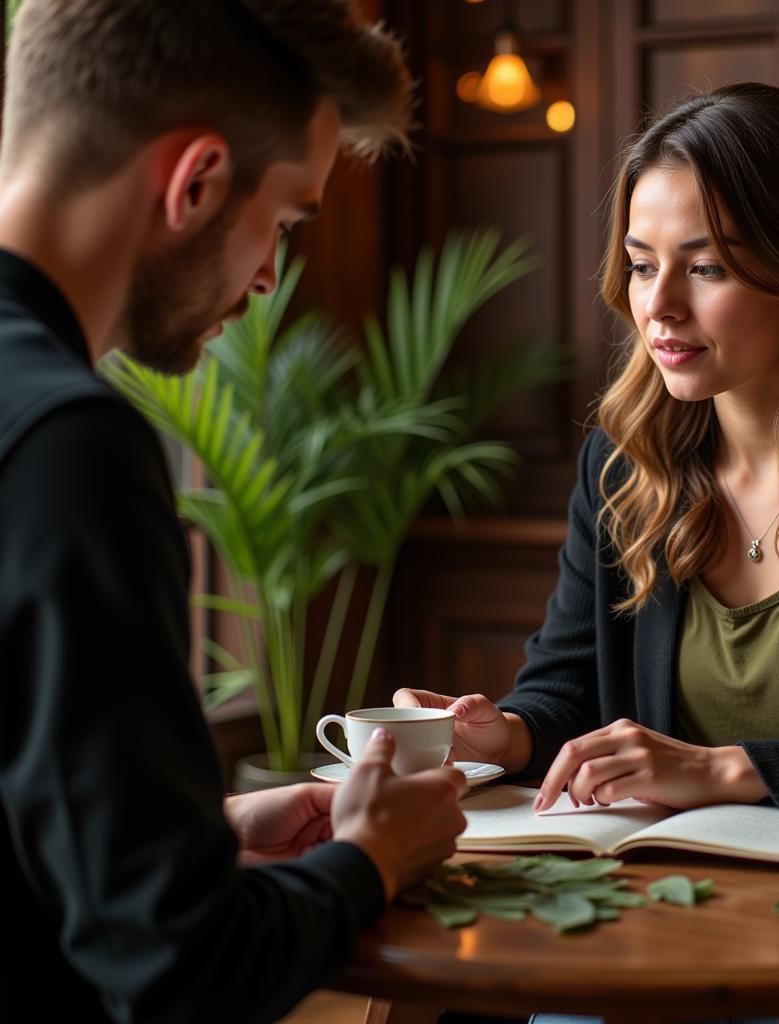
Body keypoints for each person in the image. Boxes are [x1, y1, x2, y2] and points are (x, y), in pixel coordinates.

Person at [396, 83, 779, 1024]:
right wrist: (507, 734)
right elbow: (565, 687)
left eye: (707, 268)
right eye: (643, 266)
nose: (660, 307)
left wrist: (728, 766)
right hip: (655, 925)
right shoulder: (622, 462)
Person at [0, 2, 467, 1022]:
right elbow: (177, 973)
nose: (267, 277)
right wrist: (369, 859)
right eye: (289, 219)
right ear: (197, 180)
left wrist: (193, 828)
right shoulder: (69, 445)